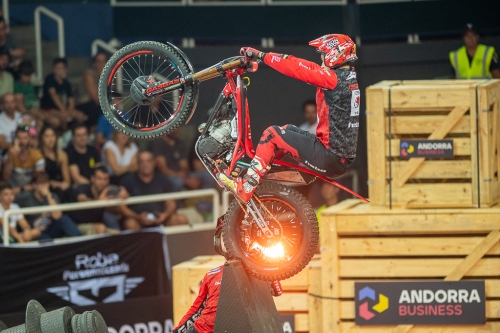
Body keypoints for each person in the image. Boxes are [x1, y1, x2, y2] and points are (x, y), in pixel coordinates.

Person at [218, 34, 360, 203]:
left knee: (272, 134)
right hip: (338, 157)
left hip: (329, 156)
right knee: (288, 130)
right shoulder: (347, 77)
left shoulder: (332, 79)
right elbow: (306, 65)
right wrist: (263, 55)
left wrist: (263, 56)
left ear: (334, 55)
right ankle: (257, 170)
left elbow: (296, 69)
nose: (321, 59)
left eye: (322, 54)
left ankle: (246, 186)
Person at [173, 265, 282, 333]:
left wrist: (266, 267)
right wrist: (178, 330)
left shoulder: (257, 270)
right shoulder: (212, 273)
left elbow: (277, 291)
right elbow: (197, 308)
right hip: (204, 329)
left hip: (240, 327)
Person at [119, 150, 188, 230]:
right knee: (130, 223)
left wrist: (165, 215)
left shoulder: (163, 179)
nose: (145, 164)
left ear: (154, 162)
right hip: (137, 220)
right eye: (142, 161)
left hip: (160, 219)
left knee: (181, 219)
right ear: (137, 164)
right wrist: (137, 217)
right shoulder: (127, 180)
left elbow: (171, 203)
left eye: (148, 161)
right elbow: (121, 208)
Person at [15, 171, 82, 240]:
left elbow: (57, 216)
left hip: (51, 229)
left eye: (46, 183)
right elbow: (12, 200)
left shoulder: (53, 196)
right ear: (34, 185)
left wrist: (49, 196)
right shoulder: (25, 197)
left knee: (64, 219)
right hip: (36, 232)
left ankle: (80, 240)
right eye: (41, 183)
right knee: (43, 237)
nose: (44, 186)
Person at [68, 165, 126, 234]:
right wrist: (99, 202)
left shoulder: (107, 190)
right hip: (77, 225)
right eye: (99, 179)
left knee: (117, 233)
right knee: (100, 227)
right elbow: (82, 199)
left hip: (97, 225)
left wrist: (124, 194)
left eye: (105, 179)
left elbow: (121, 193)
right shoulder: (83, 188)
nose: (102, 182)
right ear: (92, 179)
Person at [39, 58, 86, 131]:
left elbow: (71, 99)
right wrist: (63, 110)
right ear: (53, 69)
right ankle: (65, 135)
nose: (59, 70)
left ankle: (78, 133)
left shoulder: (67, 83)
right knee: (63, 116)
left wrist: (70, 110)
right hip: (49, 109)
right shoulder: (49, 79)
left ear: (65, 69)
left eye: (61, 68)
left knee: (80, 115)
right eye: (57, 67)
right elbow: (53, 95)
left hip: (64, 109)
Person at [3, 124, 45, 194]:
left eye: (25, 138)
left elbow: (39, 180)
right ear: (15, 139)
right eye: (19, 138)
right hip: (12, 192)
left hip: (30, 191)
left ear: (30, 139)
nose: (22, 141)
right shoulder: (10, 154)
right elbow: (5, 178)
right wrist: (10, 159)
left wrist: (22, 189)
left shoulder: (37, 155)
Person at [77, 52, 108, 129]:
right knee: (104, 110)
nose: (101, 64)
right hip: (84, 104)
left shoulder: (107, 76)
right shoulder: (89, 75)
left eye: (103, 61)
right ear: (94, 63)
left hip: (96, 105)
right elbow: (96, 99)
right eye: (99, 61)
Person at [39, 126, 71, 202]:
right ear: (42, 138)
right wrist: (52, 183)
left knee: (68, 192)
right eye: (47, 136)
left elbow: (67, 181)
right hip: (43, 186)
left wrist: (63, 185)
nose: (50, 139)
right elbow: (38, 178)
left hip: (58, 186)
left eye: (53, 135)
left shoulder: (62, 155)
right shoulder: (38, 154)